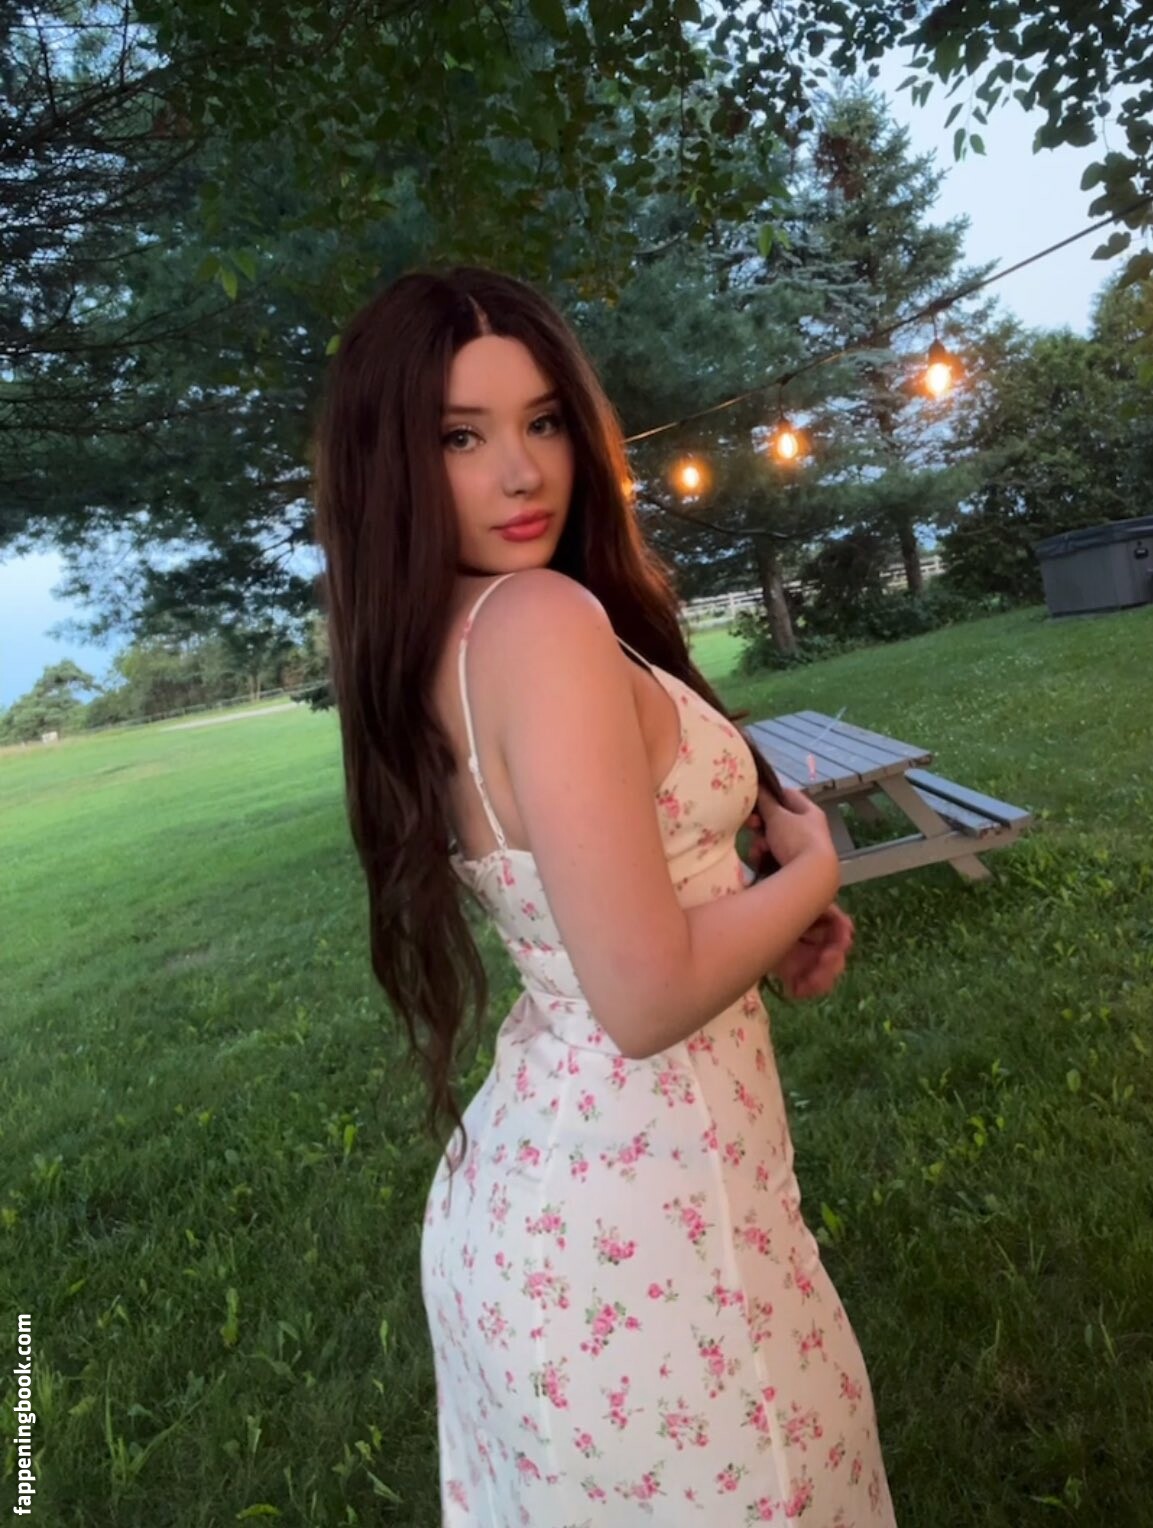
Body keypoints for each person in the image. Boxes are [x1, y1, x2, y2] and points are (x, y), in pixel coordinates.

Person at [311, 264, 895, 1525]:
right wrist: (814, 865)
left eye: (541, 421)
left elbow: (604, 914)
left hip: (562, 1219)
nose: (522, 471)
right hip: (644, 1238)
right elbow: (639, 996)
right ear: (391, 464)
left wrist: (762, 918)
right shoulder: (536, 621)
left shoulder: (450, 635)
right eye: (460, 437)